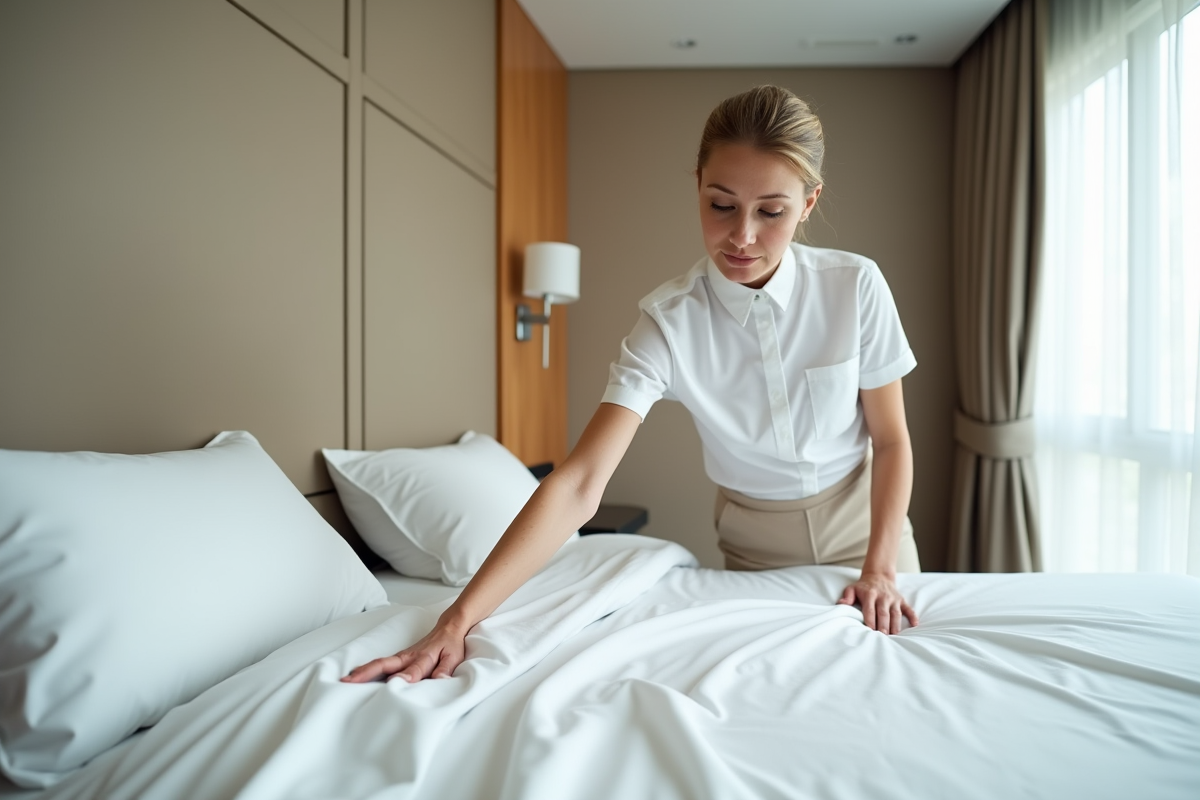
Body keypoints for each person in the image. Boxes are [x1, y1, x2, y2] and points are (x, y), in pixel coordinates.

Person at [343, 85, 921, 686]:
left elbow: (892, 440)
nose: (742, 236)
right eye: (721, 205)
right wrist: (456, 621)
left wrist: (879, 567)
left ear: (807, 204)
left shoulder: (855, 287)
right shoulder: (670, 322)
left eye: (770, 211)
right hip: (755, 546)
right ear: (697, 184)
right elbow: (579, 484)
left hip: (869, 530)